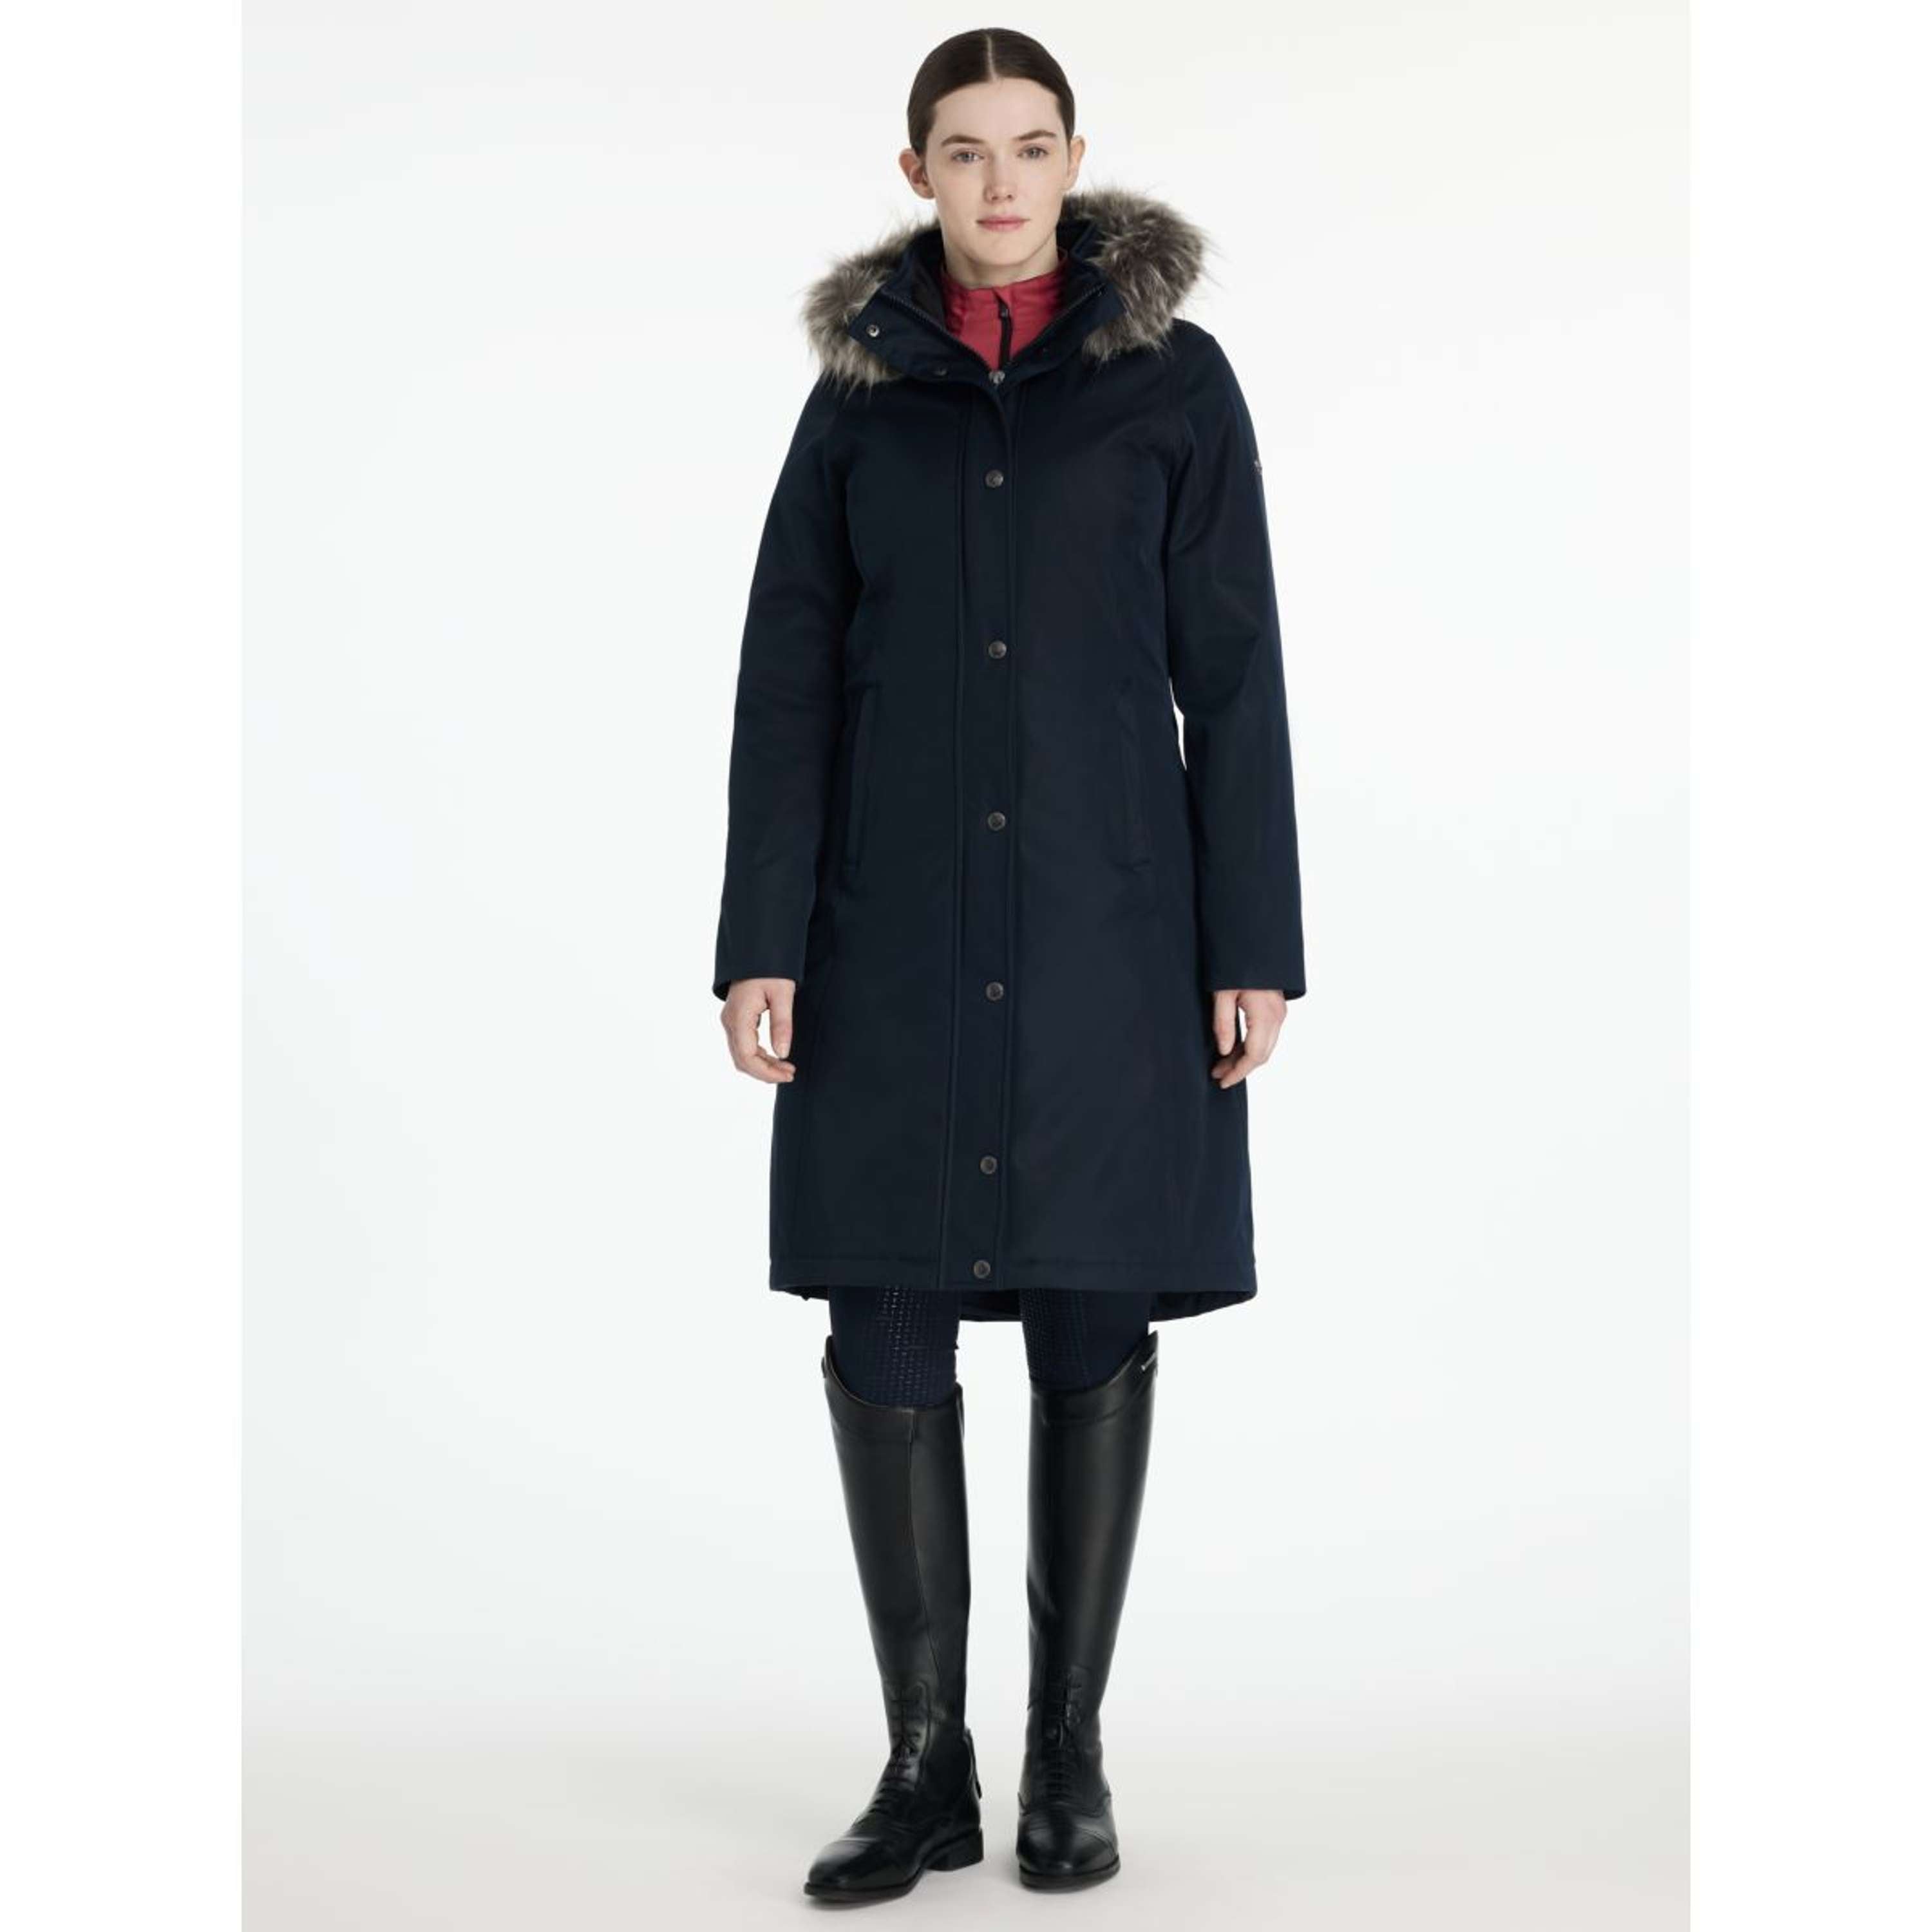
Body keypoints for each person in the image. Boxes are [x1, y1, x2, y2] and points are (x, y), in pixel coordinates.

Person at [711, 27, 1305, 1902]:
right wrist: (760, 941)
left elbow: (1236, 675)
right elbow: (788, 680)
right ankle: (925, 1768)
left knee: (1089, 1297)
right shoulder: (859, 399)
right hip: (887, 930)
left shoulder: (1173, 383)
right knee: (883, 1306)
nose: (998, 183)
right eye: (962, 151)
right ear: (916, 174)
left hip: (1110, 929)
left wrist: (1254, 942)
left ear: (1073, 160)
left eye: (1028, 147)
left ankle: (1066, 1755)